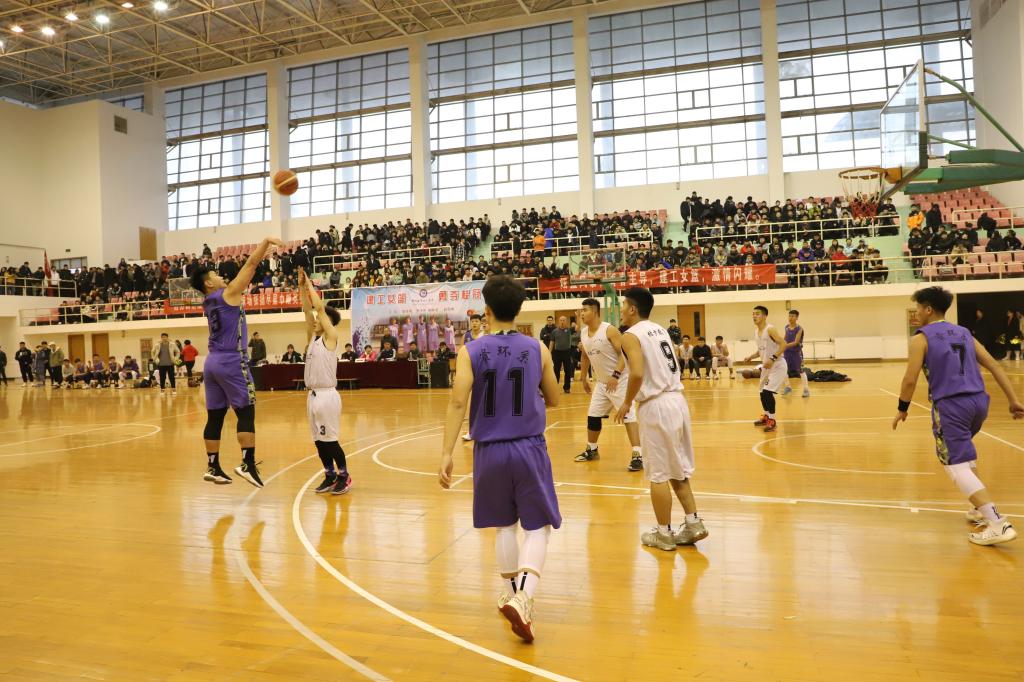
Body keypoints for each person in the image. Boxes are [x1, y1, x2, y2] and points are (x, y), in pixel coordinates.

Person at [437, 275, 561, 644]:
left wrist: (446, 452)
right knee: (538, 526)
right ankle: (525, 597)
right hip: (528, 447)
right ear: (519, 310)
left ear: (486, 310)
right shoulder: (537, 348)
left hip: (488, 451)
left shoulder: (470, 351)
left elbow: (457, 402)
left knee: (504, 526)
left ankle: (510, 594)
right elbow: (555, 399)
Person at [893, 286, 1024, 545]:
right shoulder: (964, 332)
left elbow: (910, 379)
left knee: (955, 465)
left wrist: (902, 408)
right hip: (979, 403)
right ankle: (978, 508)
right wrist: (1013, 400)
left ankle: (997, 523)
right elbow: (994, 365)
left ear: (928, 309)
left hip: (951, 405)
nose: (916, 313)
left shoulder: (920, 339)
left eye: (918, 308)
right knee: (964, 454)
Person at [615, 287, 708, 552]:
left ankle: (664, 533)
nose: (621, 309)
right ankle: (693, 523)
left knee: (658, 473)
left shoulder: (630, 335)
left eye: (623, 304)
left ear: (633, 309)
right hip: (677, 400)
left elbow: (636, 373)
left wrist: (626, 402)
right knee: (677, 467)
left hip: (656, 405)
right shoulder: (660, 329)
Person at [190, 235, 285, 487]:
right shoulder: (227, 294)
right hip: (232, 360)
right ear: (209, 283)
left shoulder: (208, 302)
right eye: (215, 275)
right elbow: (250, 266)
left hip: (212, 362)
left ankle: (213, 466)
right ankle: (247, 464)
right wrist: (266, 243)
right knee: (246, 411)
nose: (221, 276)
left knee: (215, 416)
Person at [299, 268, 352, 496]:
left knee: (330, 440)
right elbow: (307, 310)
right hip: (312, 396)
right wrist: (301, 287)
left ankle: (344, 476)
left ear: (327, 322)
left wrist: (310, 284)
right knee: (319, 441)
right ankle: (329, 474)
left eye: (319, 318)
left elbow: (318, 309)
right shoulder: (312, 338)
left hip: (327, 395)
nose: (315, 320)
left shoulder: (331, 337)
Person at [576, 298, 644, 471]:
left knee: (628, 416)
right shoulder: (583, 333)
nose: (581, 313)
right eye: (581, 310)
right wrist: (583, 378)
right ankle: (592, 450)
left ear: (595, 312)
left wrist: (616, 375)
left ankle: (638, 455)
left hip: (619, 381)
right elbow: (585, 356)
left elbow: (624, 354)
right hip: (602, 384)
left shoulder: (609, 330)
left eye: (585, 310)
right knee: (593, 416)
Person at [743, 305, 788, 432]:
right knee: (762, 393)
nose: (754, 316)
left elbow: (783, 344)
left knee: (768, 392)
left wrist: (773, 358)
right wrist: (751, 357)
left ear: (764, 316)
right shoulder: (756, 332)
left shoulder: (770, 329)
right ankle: (766, 416)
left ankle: (772, 421)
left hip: (777, 365)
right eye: (753, 314)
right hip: (766, 367)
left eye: (757, 314)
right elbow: (761, 350)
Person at [781, 310, 810, 397]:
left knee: (800, 371)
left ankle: (806, 390)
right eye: (789, 316)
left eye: (793, 316)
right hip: (787, 352)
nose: (790, 318)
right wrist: (781, 344)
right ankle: (788, 387)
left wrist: (784, 345)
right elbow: (785, 338)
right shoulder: (786, 327)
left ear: (797, 317)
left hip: (796, 353)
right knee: (783, 369)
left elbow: (796, 342)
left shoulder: (799, 329)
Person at [548, 315, 574, 393]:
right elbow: (552, 342)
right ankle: (555, 387)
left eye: (564, 320)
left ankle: (567, 388)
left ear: (566, 321)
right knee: (556, 371)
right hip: (557, 353)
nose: (562, 321)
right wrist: (549, 352)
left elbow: (577, 328)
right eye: (561, 320)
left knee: (568, 371)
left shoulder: (569, 330)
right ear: (558, 322)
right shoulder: (554, 331)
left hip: (567, 352)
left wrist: (579, 317)